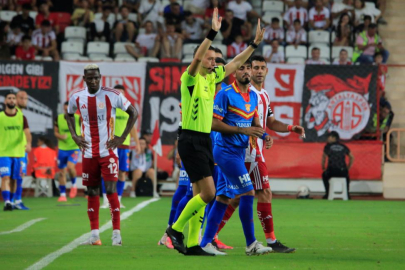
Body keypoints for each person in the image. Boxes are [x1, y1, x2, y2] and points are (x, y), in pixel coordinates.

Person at [166, 9, 265, 256]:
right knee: (209, 194)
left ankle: (191, 245)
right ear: (200, 60)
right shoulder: (190, 79)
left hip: (203, 141)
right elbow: (199, 57)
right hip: (190, 139)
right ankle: (174, 229)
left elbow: (233, 64)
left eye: (214, 60)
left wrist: (253, 44)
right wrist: (212, 32)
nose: (214, 63)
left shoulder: (212, 78)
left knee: (200, 194)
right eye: (210, 59)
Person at [213, 55, 305, 252]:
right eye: (254, 68)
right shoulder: (240, 92)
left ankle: (212, 234)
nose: (257, 71)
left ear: (267, 71)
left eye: (262, 68)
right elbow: (222, 122)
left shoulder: (262, 95)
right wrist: (249, 135)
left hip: (254, 150)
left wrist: (289, 127)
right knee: (261, 192)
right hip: (246, 152)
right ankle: (268, 241)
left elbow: (269, 123)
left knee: (237, 197)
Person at [199, 58, 273, 256]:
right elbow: (214, 124)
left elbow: (255, 122)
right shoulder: (225, 94)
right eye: (242, 68)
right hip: (225, 152)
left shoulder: (253, 96)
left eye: (248, 68)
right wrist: (243, 129)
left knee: (223, 197)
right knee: (248, 193)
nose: (246, 72)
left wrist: (264, 135)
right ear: (234, 73)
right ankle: (251, 244)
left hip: (239, 152)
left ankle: (205, 242)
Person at [65, 64, 138, 246]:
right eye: (90, 78)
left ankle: (116, 233)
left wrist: (122, 137)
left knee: (111, 190)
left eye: (96, 77)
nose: (94, 81)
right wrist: (74, 135)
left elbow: (133, 113)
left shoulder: (112, 95)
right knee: (91, 191)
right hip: (88, 152)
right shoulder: (77, 97)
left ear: (100, 77)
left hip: (108, 152)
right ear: (84, 78)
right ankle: (95, 234)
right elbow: (68, 114)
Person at [101, 84, 141, 208]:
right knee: (107, 171)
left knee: (122, 173)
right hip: (111, 144)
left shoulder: (128, 108)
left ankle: (118, 200)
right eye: (117, 92)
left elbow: (132, 127)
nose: (119, 95)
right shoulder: (108, 107)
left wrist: (137, 143)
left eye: (121, 93)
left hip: (125, 144)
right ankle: (105, 200)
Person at [0, 92, 31, 211]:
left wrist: (28, 145)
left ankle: (14, 201)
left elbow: (27, 133)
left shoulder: (21, 117)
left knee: (16, 179)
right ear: (5, 101)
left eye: (13, 98)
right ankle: (7, 202)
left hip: (19, 153)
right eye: (10, 98)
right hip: (3, 153)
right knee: (5, 177)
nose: (12, 100)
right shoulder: (1, 116)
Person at [54, 102, 81, 202]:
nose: (67, 112)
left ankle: (74, 185)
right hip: (62, 149)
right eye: (65, 109)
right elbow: (55, 132)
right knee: (62, 172)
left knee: (70, 167)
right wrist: (61, 136)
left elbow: (85, 130)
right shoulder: (58, 118)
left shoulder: (78, 119)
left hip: (74, 148)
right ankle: (62, 194)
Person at [13, 90, 32, 210]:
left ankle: (15, 200)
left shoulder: (21, 114)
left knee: (19, 175)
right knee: (16, 176)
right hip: (13, 151)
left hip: (21, 151)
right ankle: (15, 200)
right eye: (21, 98)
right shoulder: (14, 114)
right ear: (15, 99)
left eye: (26, 98)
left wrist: (25, 150)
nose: (24, 100)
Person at [322, 131, 354, 199]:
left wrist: (323, 167)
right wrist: (348, 167)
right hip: (342, 171)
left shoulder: (328, 146)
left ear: (334, 138)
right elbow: (352, 157)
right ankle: (347, 194)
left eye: (329, 137)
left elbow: (324, 157)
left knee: (324, 175)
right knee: (346, 177)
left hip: (332, 171)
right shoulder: (343, 146)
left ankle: (328, 194)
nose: (327, 139)